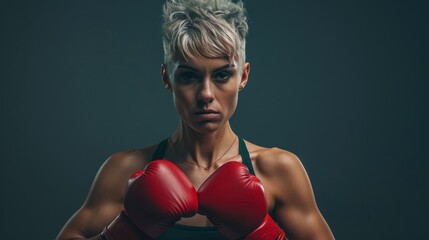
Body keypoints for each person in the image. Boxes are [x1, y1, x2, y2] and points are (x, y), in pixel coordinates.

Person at [56, 0, 334, 239]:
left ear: (244, 77)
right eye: (189, 76)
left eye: (222, 75)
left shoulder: (278, 170)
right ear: (167, 78)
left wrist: (261, 232)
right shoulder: (124, 169)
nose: (206, 94)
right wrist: (127, 230)